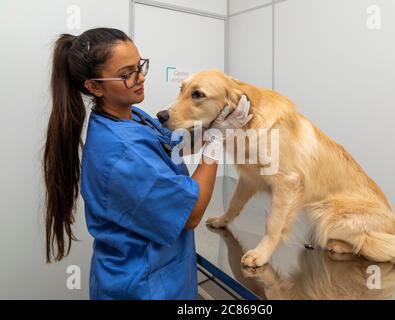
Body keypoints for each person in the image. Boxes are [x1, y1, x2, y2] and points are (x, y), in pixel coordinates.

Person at [43, 27, 252, 299]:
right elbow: (191, 214)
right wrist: (215, 143)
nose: (140, 78)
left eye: (139, 66)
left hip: (163, 270)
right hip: (143, 285)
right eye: (126, 74)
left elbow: (174, 144)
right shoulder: (121, 153)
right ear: (94, 86)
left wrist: (216, 122)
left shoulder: (130, 116)